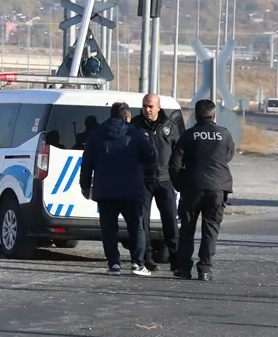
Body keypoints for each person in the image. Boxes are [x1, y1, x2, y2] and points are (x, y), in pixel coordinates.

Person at [79, 102, 156, 276]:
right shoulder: (135, 133)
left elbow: (87, 162)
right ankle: (137, 263)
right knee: (136, 227)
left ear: (111, 115)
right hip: (132, 189)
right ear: (127, 117)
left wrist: (85, 186)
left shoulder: (97, 134)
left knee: (108, 229)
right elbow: (151, 155)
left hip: (105, 190)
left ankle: (114, 264)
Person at [171, 99, 235, 282]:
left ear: (195, 116)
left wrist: (180, 185)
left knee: (187, 229)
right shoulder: (224, 134)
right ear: (214, 116)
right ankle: (205, 269)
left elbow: (174, 165)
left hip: (192, 187)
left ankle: (183, 268)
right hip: (218, 188)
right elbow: (228, 156)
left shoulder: (189, 135)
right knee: (211, 229)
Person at [131, 93, 183, 268]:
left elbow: (179, 153)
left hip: (165, 180)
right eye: (145, 105)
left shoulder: (170, 126)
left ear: (158, 107)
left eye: (151, 106)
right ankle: (146, 258)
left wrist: (178, 175)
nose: (147, 109)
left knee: (170, 221)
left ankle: (176, 260)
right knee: (142, 221)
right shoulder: (135, 125)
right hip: (143, 181)